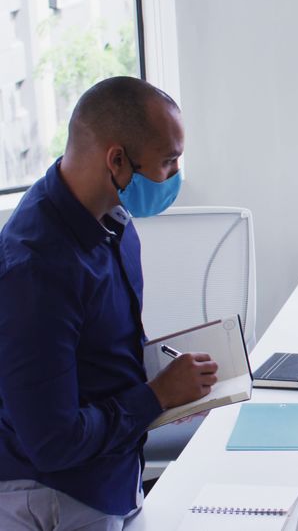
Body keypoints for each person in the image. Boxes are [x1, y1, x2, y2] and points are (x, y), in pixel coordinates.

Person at [0, 77, 218, 530]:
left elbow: (103, 349)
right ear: (117, 160)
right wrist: (156, 396)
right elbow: (52, 442)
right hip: (58, 493)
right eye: (168, 161)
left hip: (114, 472)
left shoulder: (114, 221)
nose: (175, 174)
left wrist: (168, 380)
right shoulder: (34, 270)